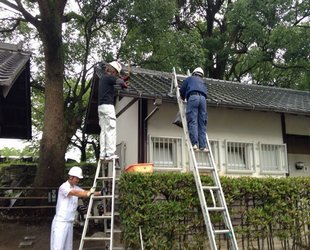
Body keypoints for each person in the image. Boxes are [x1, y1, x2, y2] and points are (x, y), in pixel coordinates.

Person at [50, 166, 102, 250]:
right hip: (61, 222)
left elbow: (85, 192)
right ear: (71, 177)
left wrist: (100, 192)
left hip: (70, 222)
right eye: (77, 178)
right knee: (58, 247)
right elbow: (75, 193)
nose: (78, 180)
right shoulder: (63, 187)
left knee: (68, 247)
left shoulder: (76, 187)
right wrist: (89, 193)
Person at [97, 61, 129, 161]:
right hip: (107, 107)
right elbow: (118, 81)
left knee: (104, 131)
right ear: (113, 70)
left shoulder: (103, 78)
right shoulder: (109, 77)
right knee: (111, 129)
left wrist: (122, 81)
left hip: (101, 108)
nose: (116, 75)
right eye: (116, 73)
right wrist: (124, 84)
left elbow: (116, 82)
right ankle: (110, 153)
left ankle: (103, 154)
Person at [179, 67, 209, 152]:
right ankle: (203, 145)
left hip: (193, 98)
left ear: (194, 73)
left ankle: (194, 143)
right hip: (203, 100)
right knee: (202, 123)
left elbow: (182, 90)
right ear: (201, 75)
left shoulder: (189, 79)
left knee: (193, 120)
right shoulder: (203, 82)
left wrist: (183, 97)